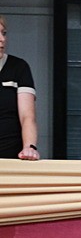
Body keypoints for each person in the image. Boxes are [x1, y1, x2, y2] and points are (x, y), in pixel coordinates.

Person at [0, 15, 40, 160]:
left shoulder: (19, 67)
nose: (2, 39)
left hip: (10, 156)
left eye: (4, 33)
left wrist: (30, 147)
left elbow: (27, 116)